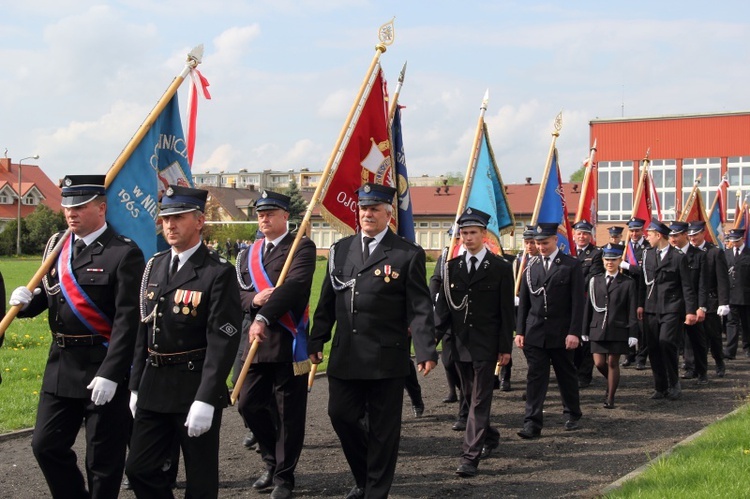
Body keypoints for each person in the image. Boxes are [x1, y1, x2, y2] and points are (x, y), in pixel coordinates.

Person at [9, 174, 145, 498]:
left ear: (101, 208)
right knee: (45, 445)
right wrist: (27, 304)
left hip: (103, 366)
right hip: (62, 365)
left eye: (80, 206)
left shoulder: (123, 253)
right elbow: (51, 292)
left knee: (102, 460)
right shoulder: (58, 245)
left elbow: (129, 321)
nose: (71, 212)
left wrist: (112, 374)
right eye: (67, 205)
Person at [308, 183, 438, 499]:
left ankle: (375, 491)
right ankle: (366, 477)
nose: (367, 214)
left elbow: (419, 308)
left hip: (386, 357)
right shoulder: (341, 249)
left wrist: (424, 349)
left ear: (388, 214)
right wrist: (316, 340)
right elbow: (327, 302)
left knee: (383, 430)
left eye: (374, 209)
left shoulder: (407, 254)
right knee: (341, 416)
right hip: (346, 354)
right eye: (363, 208)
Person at [125, 185, 241, 498]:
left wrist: (207, 396)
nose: (170, 224)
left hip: (194, 384)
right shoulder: (155, 265)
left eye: (178, 217)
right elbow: (143, 328)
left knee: (200, 478)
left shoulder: (217, 272)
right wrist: (135, 384)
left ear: (199, 221)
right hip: (154, 383)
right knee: (139, 469)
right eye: (165, 218)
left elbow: (222, 340)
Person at [235, 190, 316, 499]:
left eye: (270, 213)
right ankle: (270, 460)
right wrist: (253, 300)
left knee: (288, 415)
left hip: (287, 342)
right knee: (248, 404)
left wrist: (263, 317)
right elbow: (237, 291)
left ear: (286, 216)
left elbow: (293, 289)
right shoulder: (248, 252)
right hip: (256, 343)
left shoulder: (301, 247)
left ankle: (284, 477)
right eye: (260, 214)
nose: (264, 218)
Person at [435, 207, 514, 477]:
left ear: (483, 234)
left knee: (479, 401)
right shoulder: (451, 267)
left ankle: (470, 457)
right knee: (470, 397)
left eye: (472, 233)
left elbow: (506, 312)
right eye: (463, 233)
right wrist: (430, 341)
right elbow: (444, 310)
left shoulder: (501, 268)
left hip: (487, 344)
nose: (467, 238)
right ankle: (489, 436)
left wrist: (505, 348)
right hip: (460, 344)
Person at [515, 222, 584, 439]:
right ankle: (532, 422)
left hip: (562, 333)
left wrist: (574, 332)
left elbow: (577, 303)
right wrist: (520, 331)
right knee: (535, 377)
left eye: (545, 242)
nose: (541, 247)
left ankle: (572, 413)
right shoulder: (530, 266)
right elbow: (524, 302)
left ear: (555, 240)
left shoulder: (570, 265)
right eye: (537, 243)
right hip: (535, 332)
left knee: (566, 375)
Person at [639, 218, 697, 401]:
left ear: (658, 235)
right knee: (654, 347)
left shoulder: (678, 257)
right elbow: (643, 283)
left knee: (666, 342)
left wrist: (690, 311)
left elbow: (687, 286)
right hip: (651, 308)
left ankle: (674, 383)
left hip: (671, 308)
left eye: (649, 234)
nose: (646, 237)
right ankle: (660, 386)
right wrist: (640, 304)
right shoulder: (647, 254)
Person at [582, 243, 638, 409]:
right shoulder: (595, 280)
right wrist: (584, 329)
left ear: (619, 261)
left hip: (618, 328)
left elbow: (631, 309)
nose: (609, 263)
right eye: (607, 259)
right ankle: (612, 382)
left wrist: (633, 333)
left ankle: (611, 397)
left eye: (613, 260)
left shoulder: (627, 283)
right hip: (597, 327)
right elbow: (589, 307)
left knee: (613, 362)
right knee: (599, 363)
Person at [430, 231, 470, 430]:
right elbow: (436, 279)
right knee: (448, 361)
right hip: (449, 319)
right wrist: (433, 299)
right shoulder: (447, 255)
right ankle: (461, 394)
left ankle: (465, 413)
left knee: (468, 373)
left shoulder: (489, 257)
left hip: (473, 327)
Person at [687, 221, 731, 377]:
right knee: (692, 337)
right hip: (692, 300)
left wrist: (724, 302)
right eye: (690, 235)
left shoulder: (714, 252)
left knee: (713, 335)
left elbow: (722, 279)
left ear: (703, 233)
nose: (692, 238)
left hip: (711, 300)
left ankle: (719, 361)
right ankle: (693, 367)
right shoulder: (687, 253)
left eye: (695, 235)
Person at [668, 221, 709, 384]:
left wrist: (701, 307)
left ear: (685, 234)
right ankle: (677, 374)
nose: (673, 239)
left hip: (692, 304)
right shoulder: (669, 255)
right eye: (671, 236)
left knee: (697, 340)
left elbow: (703, 284)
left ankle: (702, 372)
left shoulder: (699, 255)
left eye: (676, 235)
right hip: (673, 305)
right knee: (671, 341)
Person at [508, 225, 540, 395]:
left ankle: (533, 384)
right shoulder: (518, 261)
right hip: (518, 308)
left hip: (535, 310)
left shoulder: (542, 261)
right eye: (527, 242)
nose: (530, 246)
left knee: (533, 350)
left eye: (532, 242)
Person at [572, 219, 604, 389]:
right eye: (579, 233)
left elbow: (594, 276)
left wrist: (572, 288)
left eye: (585, 233)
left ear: (590, 236)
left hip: (586, 302)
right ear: (574, 235)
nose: (582, 236)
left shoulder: (596, 254)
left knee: (585, 339)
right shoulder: (568, 251)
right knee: (572, 337)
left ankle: (585, 375)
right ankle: (574, 371)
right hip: (569, 303)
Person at [619, 217, 651, 369]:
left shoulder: (648, 247)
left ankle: (641, 357)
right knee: (627, 324)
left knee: (642, 327)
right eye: (631, 231)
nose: (634, 233)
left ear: (642, 231)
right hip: (625, 290)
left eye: (637, 230)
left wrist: (628, 266)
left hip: (640, 290)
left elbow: (646, 271)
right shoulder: (624, 247)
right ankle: (629, 354)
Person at [724, 229, 750, 360]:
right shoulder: (726, 254)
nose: (734, 243)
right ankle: (730, 351)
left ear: (742, 239)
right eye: (732, 240)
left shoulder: (748, 253)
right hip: (731, 295)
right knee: (731, 323)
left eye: (736, 240)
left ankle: (747, 347)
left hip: (746, 295)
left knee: (747, 323)